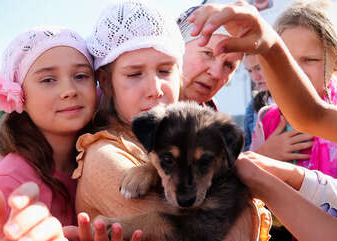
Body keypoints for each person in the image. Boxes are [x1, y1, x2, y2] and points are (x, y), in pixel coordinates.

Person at [73, 1, 271, 241]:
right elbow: (196, 229)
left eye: (165, 71)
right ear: (104, 81)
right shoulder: (104, 158)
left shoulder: (187, 131)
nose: (155, 89)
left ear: (180, 74)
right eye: (134, 73)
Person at [188, 0, 337, 240]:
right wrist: (264, 155)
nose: (297, 70)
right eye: (286, 60)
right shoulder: (267, 119)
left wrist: (288, 174)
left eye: (309, 60)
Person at [0, 26, 97, 241]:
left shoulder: (98, 161)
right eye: (48, 80)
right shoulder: (8, 182)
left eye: (81, 75)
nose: (69, 90)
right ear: (19, 95)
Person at [242, 53, 273, 151]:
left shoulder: (294, 102)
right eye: (250, 71)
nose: (255, 77)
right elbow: (247, 149)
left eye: (259, 68)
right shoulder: (253, 107)